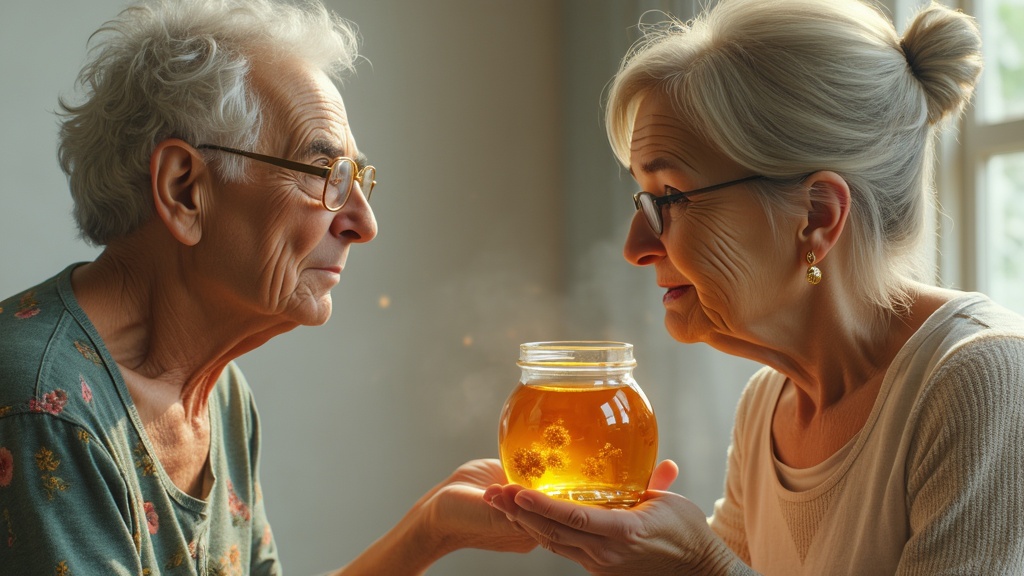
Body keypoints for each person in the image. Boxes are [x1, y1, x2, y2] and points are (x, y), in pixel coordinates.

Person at [485, 0, 1024, 574]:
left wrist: (699, 565)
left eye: (669, 197)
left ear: (816, 215)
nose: (635, 245)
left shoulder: (984, 381)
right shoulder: (768, 405)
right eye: (643, 199)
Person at [0, 0, 536, 573]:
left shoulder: (217, 394)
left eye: (359, 181)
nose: (363, 223)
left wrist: (431, 529)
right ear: (185, 190)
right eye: (324, 174)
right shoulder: (42, 407)